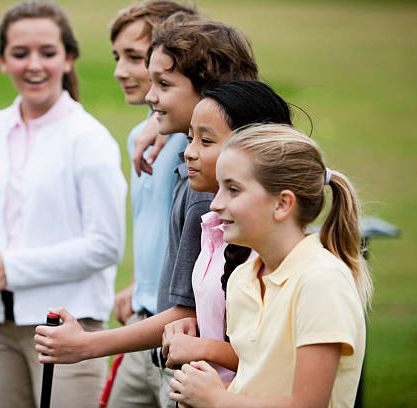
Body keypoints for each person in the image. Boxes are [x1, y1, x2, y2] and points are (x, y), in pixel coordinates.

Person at [34, 14, 258, 408]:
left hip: (198, 367)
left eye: (163, 84)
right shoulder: (182, 156)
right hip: (171, 343)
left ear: (209, 92)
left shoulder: (207, 186)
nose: (151, 94)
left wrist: (86, 345)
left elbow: (185, 310)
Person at [0, 1, 126, 407]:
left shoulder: (89, 139)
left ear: (69, 58)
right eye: (20, 53)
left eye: (47, 52)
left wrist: (10, 268)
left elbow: (105, 244)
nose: (34, 65)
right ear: (2, 61)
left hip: (66, 326)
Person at [170, 124, 371, 407]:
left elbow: (308, 404)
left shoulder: (321, 281)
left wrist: (216, 399)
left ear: (282, 204)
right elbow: (255, 385)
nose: (215, 203)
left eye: (233, 190)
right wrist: (197, 391)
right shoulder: (243, 278)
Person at [160, 81, 293, 386]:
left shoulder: (270, 249)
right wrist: (190, 327)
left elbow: (273, 356)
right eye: (189, 138)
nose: (189, 153)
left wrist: (202, 348)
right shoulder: (214, 228)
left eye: (206, 141)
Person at [107, 2, 199, 407]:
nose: (120, 71)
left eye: (134, 57)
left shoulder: (197, 142)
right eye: (117, 57)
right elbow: (156, 228)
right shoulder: (138, 138)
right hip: (140, 324)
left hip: (183, 334)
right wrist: (138, 283)